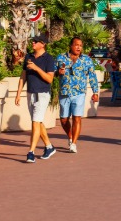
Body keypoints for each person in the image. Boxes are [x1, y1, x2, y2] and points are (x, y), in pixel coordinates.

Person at [13, 35, 60, 163]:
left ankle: (31, 152)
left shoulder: (49, 59)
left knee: (35, 122)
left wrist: (36, 68)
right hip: (30, 93)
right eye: (32, 41)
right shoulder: (29, 57)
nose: (32, 43)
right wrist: (18, 94)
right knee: (38, 122)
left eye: (35, 41)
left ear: (43, 44)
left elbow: (50, 79)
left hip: (43, 94)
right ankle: (49, 147)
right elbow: (23, 76)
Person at [55, 36, 100, 153]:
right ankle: (70, 136)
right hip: (64, 92)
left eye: (80, 45)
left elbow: (92, 76)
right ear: (71, 46)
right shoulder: (61, 58)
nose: (79, 47)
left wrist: (95, 92)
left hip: (79, 93)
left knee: (77, 118)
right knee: (64, 119)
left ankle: (74, 143)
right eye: (76, 45)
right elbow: (52, 72)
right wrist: (57, 72)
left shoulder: (86, 60)